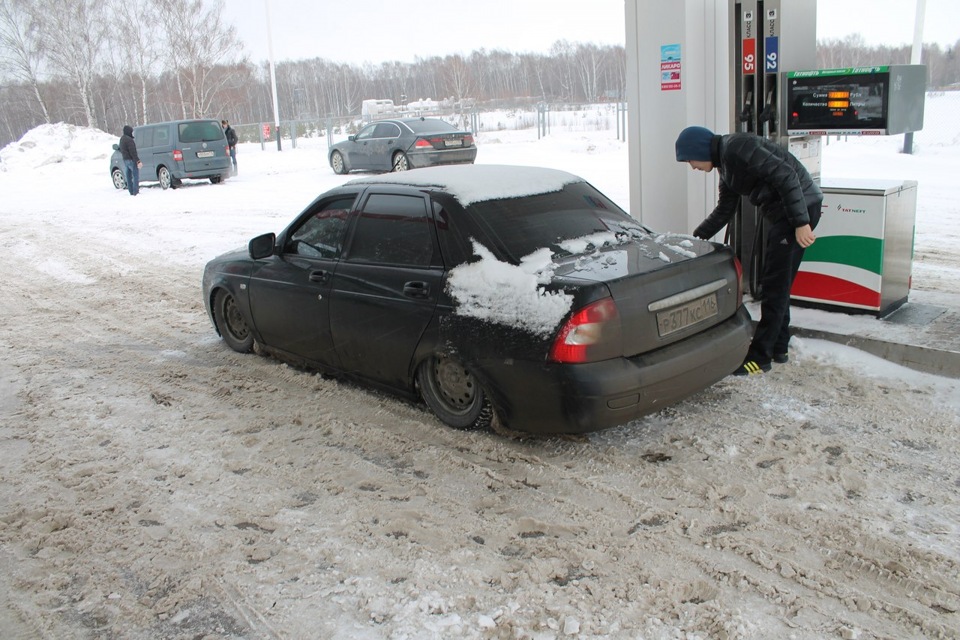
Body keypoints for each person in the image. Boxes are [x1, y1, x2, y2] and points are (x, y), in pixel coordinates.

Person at [675, 126, 822, 376]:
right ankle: (778, 347)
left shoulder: (739, 149)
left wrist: (800, 223)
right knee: (779, 283)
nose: (692, 167)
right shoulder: (727, 165)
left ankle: (760, 357)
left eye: (689, 159)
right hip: (788, 215)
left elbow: (786, 175)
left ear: (699, 149)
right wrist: (693, 240)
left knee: (774, 285)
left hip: (797, 212)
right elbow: (724, 210)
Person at [118, 125, 142, 196]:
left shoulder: (122, 139)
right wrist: (138, 160)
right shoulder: (129, 140)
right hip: (131, 160)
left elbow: (120, 149)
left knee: (128, 176)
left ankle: (131, 191)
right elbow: (133, 152)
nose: (132, 133)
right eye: (131, 132)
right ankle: (135, 192)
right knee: (135, 175)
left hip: (125, 159)